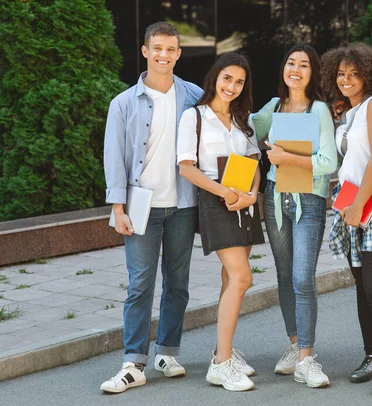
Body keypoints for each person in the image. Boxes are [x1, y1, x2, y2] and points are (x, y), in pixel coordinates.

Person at [101, 21, 203, 393]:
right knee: (140, 285)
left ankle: (168, 352)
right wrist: (118, 208)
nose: (164, 55)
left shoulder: (194, 95)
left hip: (182, 204)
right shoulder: (124, 103)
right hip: (141, 206)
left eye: (171, 49)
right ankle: (134, 361)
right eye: (157, 48)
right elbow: (113, 157)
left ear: (179, 54)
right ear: (145, 51)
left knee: (178, 284)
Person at [251, 44, 337, 388]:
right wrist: (266, 149)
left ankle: (306, 358)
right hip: (275, 198)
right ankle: (293, 344)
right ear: (283, 69)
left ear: (312, 72)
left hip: (309, 200)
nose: (296, 70)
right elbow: (245, 132)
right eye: (290, 63)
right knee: (284, 276)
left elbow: (330, 163)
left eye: (304, 65)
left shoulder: (319, 110)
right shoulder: (272, 108)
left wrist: (286, 157)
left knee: (303, 277)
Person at [177, 52, 264, 392]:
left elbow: (255, 163)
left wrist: (252, 195)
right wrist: (224, 192)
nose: (232, 86)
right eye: (227, 78)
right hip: (216, 203)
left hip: (244, 202)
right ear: (214, 78)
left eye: (239, 82)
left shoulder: (245, 120)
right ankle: (221, 363)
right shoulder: (194, 117)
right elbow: (186, 167)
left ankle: (224, 349)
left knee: (231, 278)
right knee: (243, 277)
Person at [321, 42, 372, 396]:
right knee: (360, 286)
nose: (346, 79)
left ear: (368, 74)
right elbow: (352, 161)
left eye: (354, 74)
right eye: (341, 74)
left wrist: (359, 204)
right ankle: (371, 356)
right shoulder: (347, 112)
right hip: (351, 203)